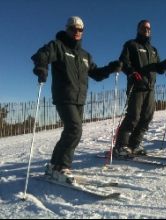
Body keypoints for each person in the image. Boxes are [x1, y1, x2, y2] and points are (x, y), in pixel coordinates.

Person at [31, 16, 122, 182]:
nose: (77, 32)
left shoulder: (85, 55)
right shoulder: (58, 46)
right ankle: (62, 166)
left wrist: (110, 68)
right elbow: (42, 54)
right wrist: (41, 67)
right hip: (64, 96)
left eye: (80, 29)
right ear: (67, 29)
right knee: (74, 129)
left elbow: (95, 74)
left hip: (80, 98)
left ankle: (53, 165)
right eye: (73, 28)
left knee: (71, 131)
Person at [114, 19, 166, 157]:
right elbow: (123, 61)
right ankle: (120, 146)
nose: (146, 30)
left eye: (148, 28)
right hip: (136, 86)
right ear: (138, 29)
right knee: (133, 117)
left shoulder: (153, 50)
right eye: (144, 28)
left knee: (147, 117)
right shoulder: (131, 45)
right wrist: (131, 72)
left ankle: (134, 145)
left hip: (150, 88)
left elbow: (158, 68)